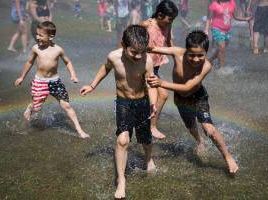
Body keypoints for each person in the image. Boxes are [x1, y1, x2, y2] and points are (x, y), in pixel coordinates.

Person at [80, 25, 157, 199]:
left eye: (141, 52)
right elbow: (105, 68)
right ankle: (121, 180)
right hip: (123, 103)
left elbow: (152, 84)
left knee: (145, 139)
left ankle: (148, 158)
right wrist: (92, 85)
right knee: (123, 140)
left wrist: (153, 104)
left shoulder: (147, 60)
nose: (138, 57)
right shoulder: (114, 57)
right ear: (123, 44)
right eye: (133, 52)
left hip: (143, 102)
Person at [147, 30, 239, 174]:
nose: (196, 59)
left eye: (200, 55)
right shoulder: (177, 53)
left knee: (209, 129)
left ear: (206, 52)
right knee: (190, 127)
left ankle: (227, 157)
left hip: (198, 97)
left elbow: (188, 86)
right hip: (180, 98)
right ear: (186, 51)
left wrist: (161, 83)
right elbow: (152, 48)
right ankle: (200, 141)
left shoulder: (206, 66)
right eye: (192, 55)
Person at [14, 21, 89, 139]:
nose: (37, 37)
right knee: (37, 108)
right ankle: (31, 106)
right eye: (37, 34)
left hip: (55, 82)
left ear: (51, 36)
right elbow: (29, 62)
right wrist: (22, 77)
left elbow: (68, 62)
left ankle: (80, 131)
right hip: (40, 82)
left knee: (66, 106)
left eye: (40, 35)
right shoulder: (35, 48)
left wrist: (73, 75)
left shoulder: (58, 50)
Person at [141, 0, 178, 139]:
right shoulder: (148, 25)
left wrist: (177, 59)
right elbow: (131, 34)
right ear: (160, 15)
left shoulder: (168, 24)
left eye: (173, 19)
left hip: (155, 68)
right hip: (144, 67)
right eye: (169, 19)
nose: (170, 22)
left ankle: (147, 124)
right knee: (162, 95)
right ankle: (152, 127)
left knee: (149, 97)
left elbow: (169, 42)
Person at [204, 0, 251, 69]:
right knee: (222, 47)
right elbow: (208, 18)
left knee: (221, 49)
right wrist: (206, 30)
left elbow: (236, 17)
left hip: (227, 30)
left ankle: (211, 59)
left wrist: (246, 19)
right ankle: (221, 69)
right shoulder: (214, 4)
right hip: (217, 28)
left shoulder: (232, 3)